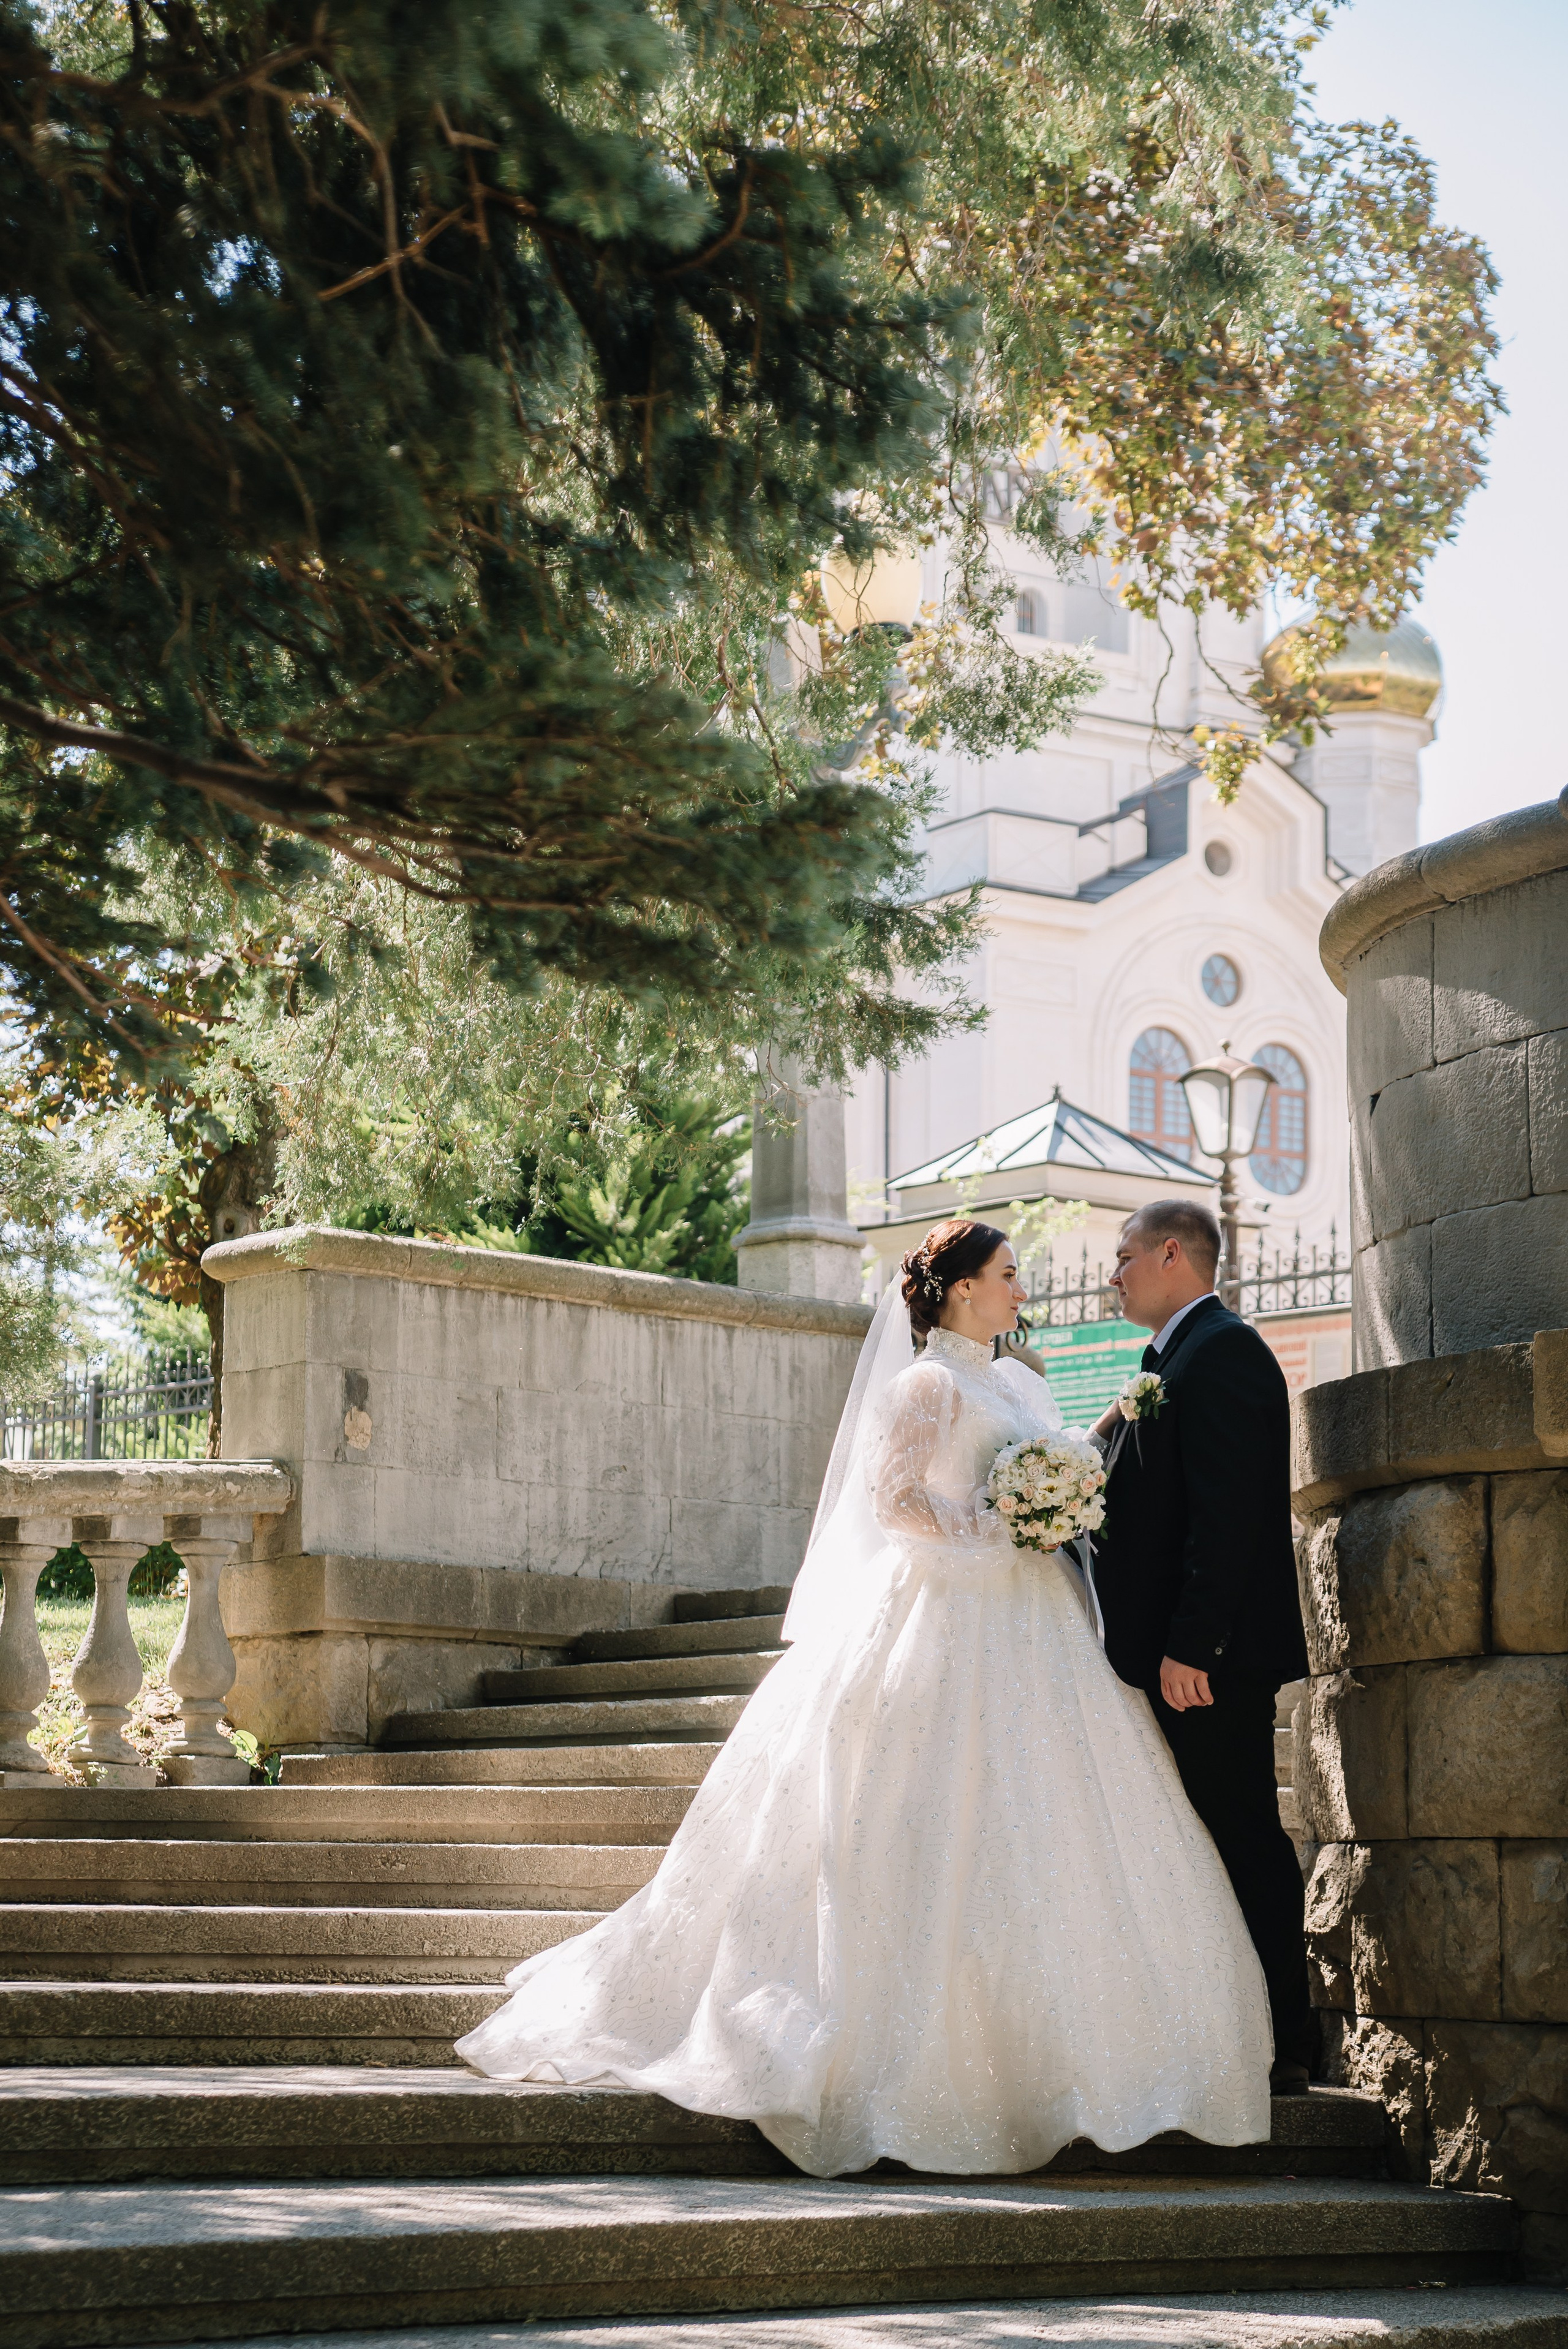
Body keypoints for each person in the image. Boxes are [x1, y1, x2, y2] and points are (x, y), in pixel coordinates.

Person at [457, 1220, 1272, 2175]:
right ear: (962, 1290)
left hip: (1038, 1621)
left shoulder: (1020, 1383)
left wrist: (1059, 1501)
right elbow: (895, 1501)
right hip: (942, 1612)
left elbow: (1070, 1471)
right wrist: (1002, 1523)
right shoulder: (925, 1386)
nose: (1022, 1290)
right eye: (1008, 1275)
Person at [1088, 1199, 1314, 2094]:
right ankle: (1233, 2029)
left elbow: (1230, 1518)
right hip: (1171, 1657)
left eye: (1124, 1256)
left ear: (1172, 1254)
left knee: (1242, 1834)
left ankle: (1290, 2043)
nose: (1113, 1274)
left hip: (1208, 1664)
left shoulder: (1224, 1352)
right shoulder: (1174, 1355)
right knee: (1205, 1837)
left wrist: (1196, 1646)